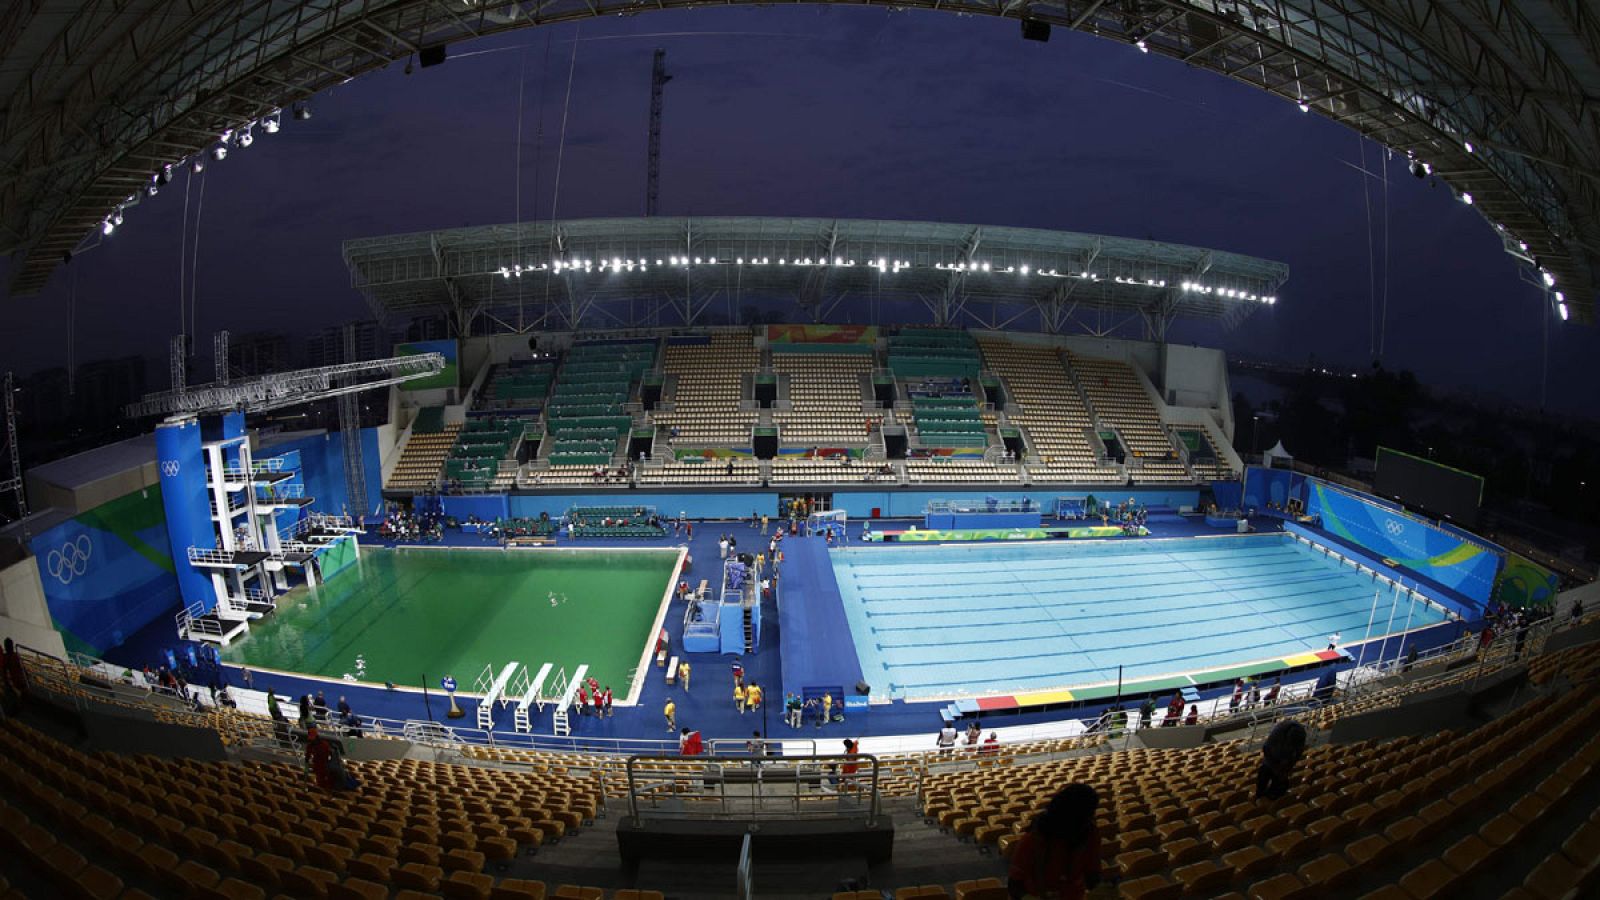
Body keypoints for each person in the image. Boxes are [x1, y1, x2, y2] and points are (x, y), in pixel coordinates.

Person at [1006, 783, 1102, 900]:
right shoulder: (1033, 841)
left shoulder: (1090, 834)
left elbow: (1093, 872)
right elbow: (1014, 884)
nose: (1091, 819)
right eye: (1088, 815)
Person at [1256, 719, 1308, 799]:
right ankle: (1260, 794)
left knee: (1277, 778)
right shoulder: (1276, 735)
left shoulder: (1300, 736)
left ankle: (1273, 796)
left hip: (1282, 758)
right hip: (1272, 756)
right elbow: (1266, 749)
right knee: (1265, 773)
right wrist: (1276, 767)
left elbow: (1297, 754)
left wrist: (1286, 768)